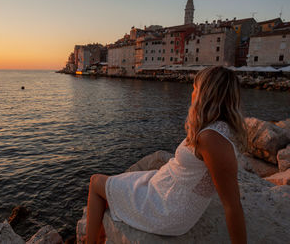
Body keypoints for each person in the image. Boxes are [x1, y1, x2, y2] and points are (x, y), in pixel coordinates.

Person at [86, 66, 247, 244]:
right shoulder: (218, 128)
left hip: (167, 208)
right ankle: (99, 236)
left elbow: (232, 204)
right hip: (166, 189)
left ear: (204, 94)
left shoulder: (212, 139)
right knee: (120, 184)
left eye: (195, 89)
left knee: (95, 181)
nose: (192, 94)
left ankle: (90, 242)